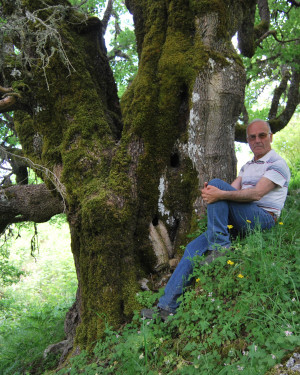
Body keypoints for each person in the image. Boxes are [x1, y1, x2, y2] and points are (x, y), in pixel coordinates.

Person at [142, 119, 290, 321]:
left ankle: (220, 246)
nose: (257, 140)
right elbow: (230, 191)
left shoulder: (277, 163)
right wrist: (213, 193)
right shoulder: (248, 167)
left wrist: (217, 191)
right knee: (193, 248)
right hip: (241, 219)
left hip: (263, 219)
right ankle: (166, 308)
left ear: (271, 137)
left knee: (217, 185)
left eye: (262, 135)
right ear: (247, 140)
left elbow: (256, 194)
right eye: (252, 137)